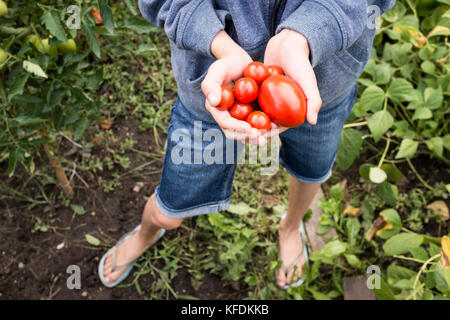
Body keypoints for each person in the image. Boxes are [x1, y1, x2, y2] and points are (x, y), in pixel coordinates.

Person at [98, 0, 395, 289]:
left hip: (321, 80)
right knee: (169, 209)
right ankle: (147, 233)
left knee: (311, 170)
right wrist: (219, 43)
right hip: (214, 84)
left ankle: (291, 226)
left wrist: (305, 34)